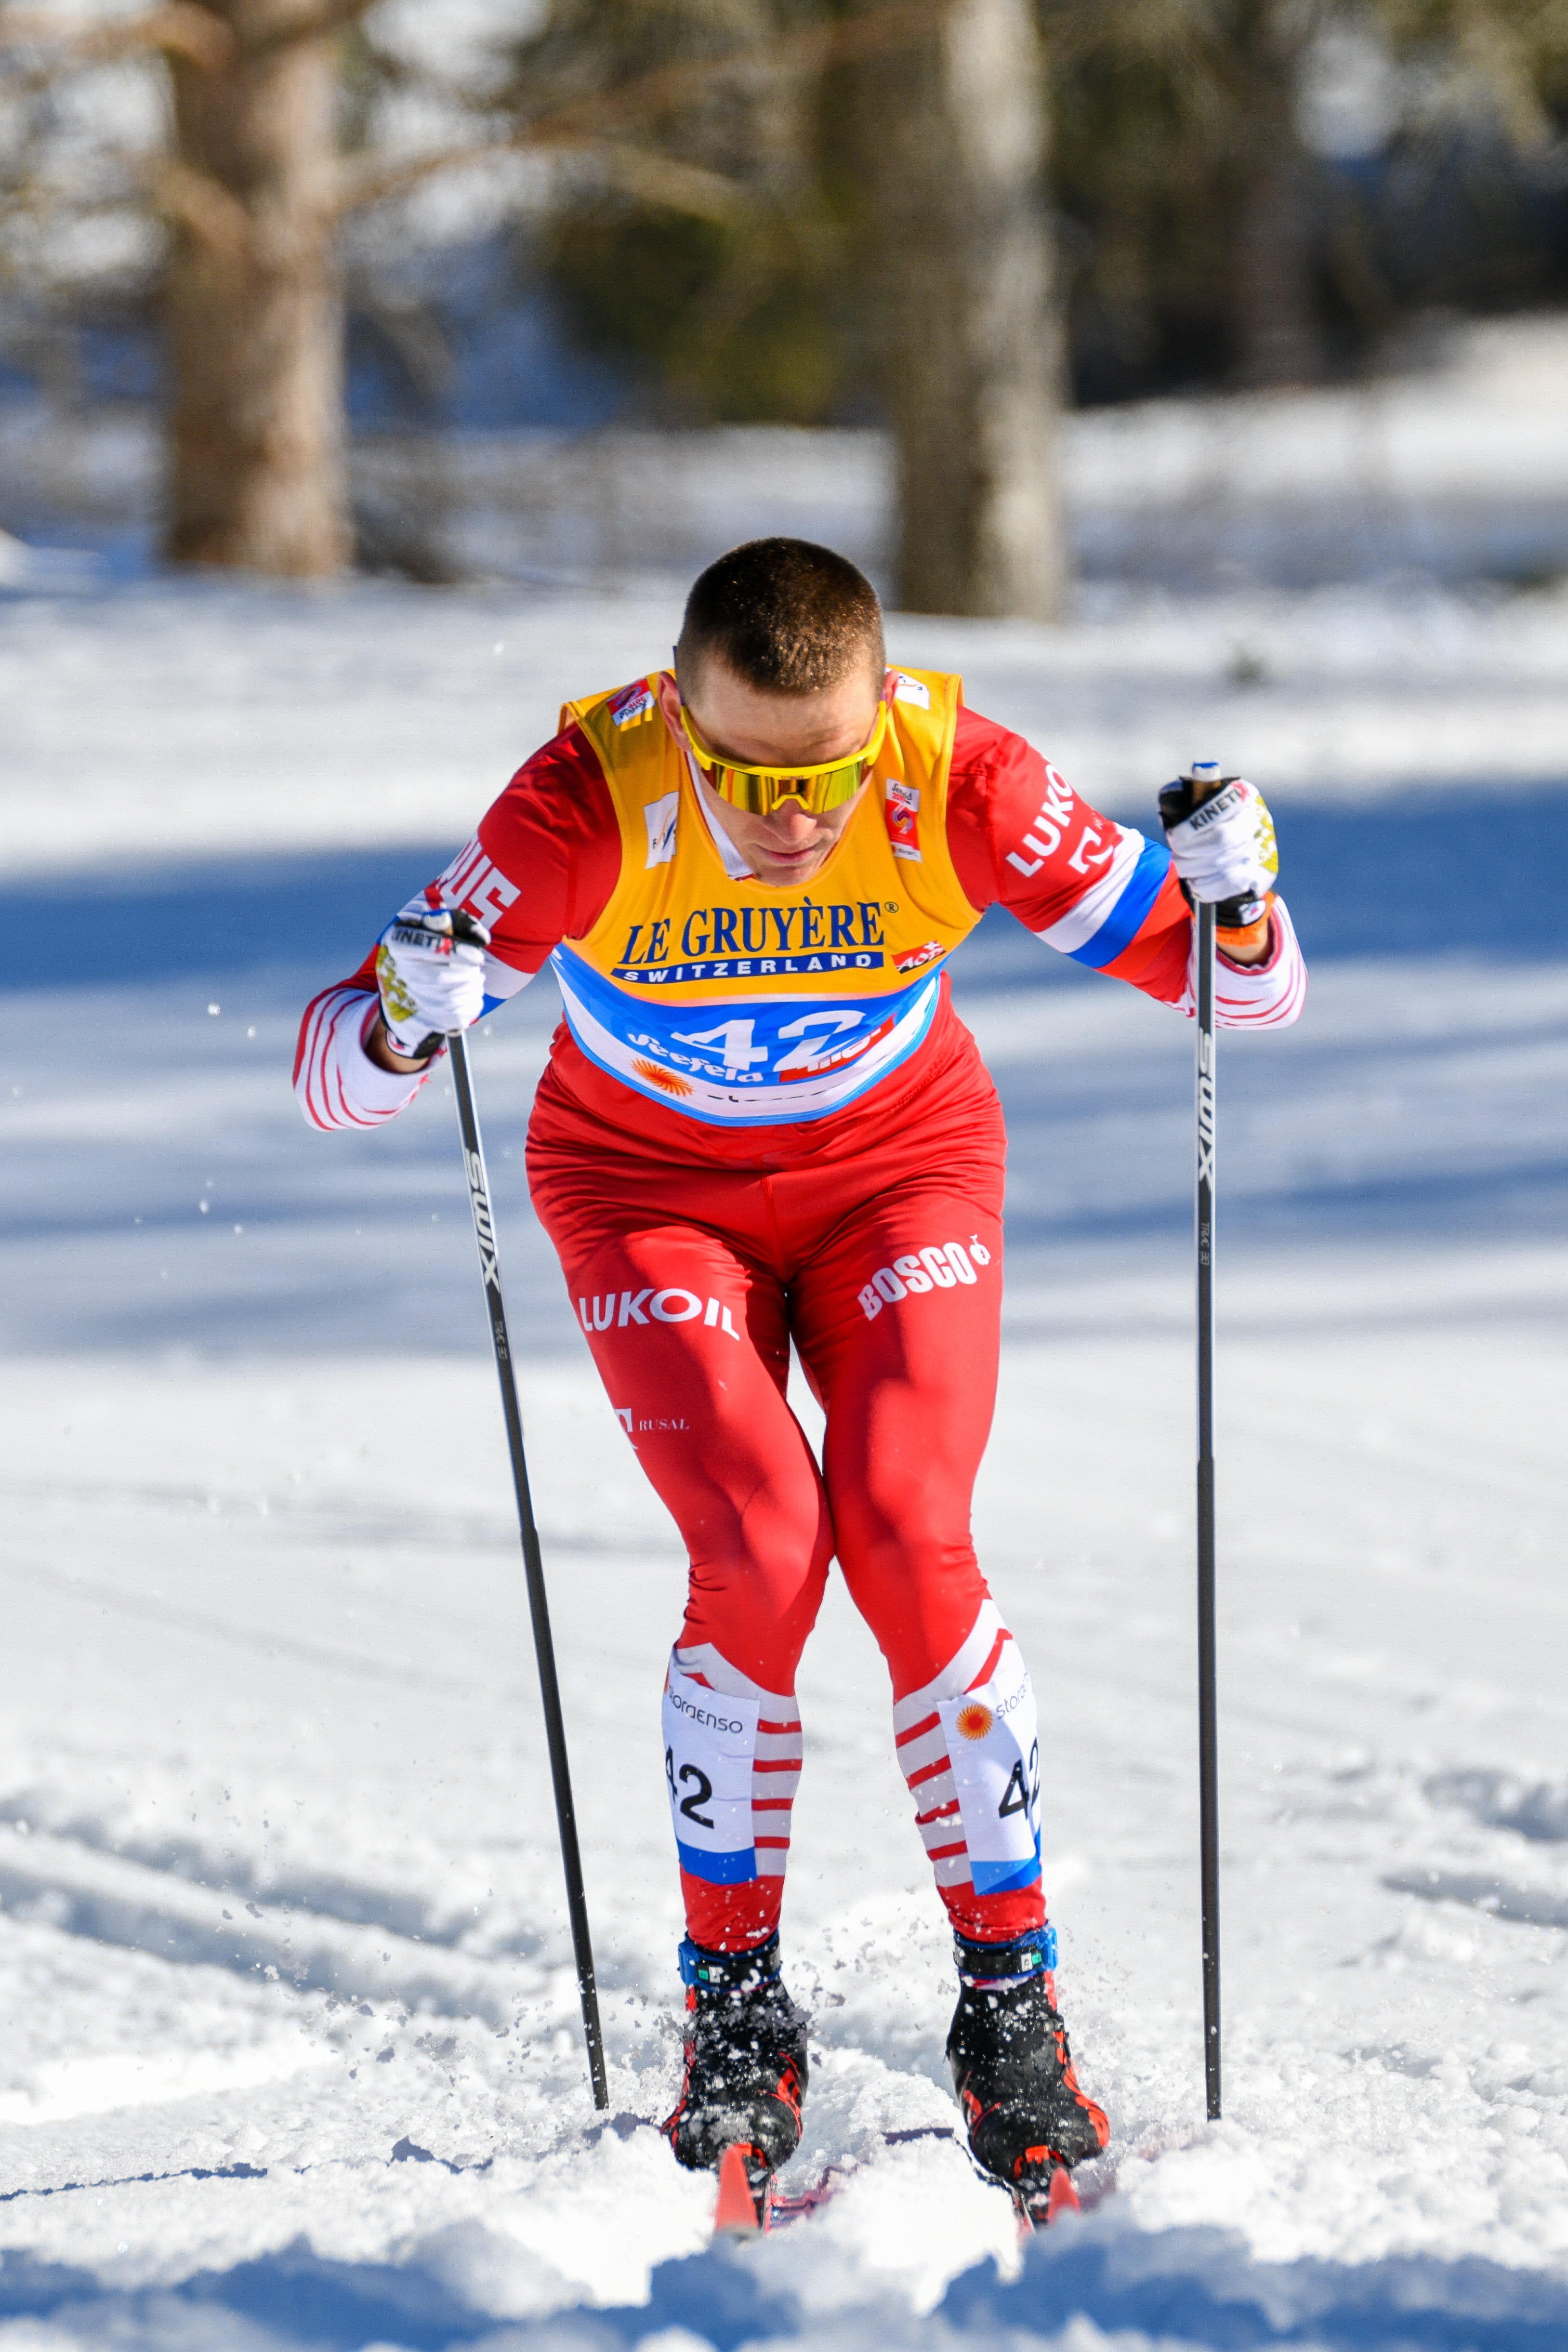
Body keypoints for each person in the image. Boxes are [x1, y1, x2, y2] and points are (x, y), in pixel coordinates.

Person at [296, 537, 1305, 2218]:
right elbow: (338, 1074)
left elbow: (1243, 992)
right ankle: (737, 2010)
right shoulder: (579, 806)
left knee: (907, 1530)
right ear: (679, 721)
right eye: (748, 772)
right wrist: (408, 1015)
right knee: (764, 1547)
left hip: (897, 1169)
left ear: (878, 715)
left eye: (824, 771)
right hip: (644, 1194)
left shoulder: (960, 777)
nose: (791, 810)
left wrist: (1244, 892)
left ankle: (1010, 2004)